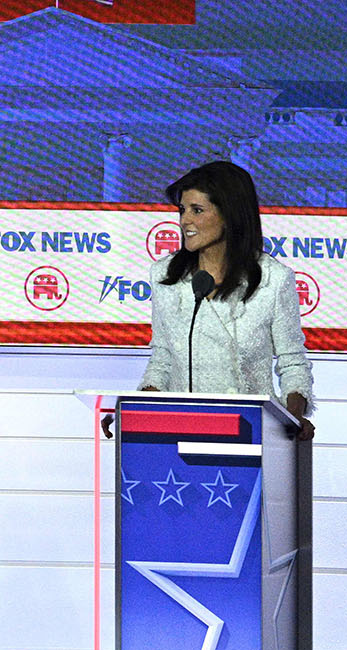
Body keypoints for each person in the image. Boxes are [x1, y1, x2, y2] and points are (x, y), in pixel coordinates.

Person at [139, 160, 314, 440]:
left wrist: (294, 417)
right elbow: (162, 360)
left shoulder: (274, 279)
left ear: (229, 214)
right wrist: (135, 415)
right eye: (183, 210)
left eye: (197, 210)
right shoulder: (165, 276)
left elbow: (292, 363)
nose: (185, 221)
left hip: (252, 434)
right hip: (182, 433)